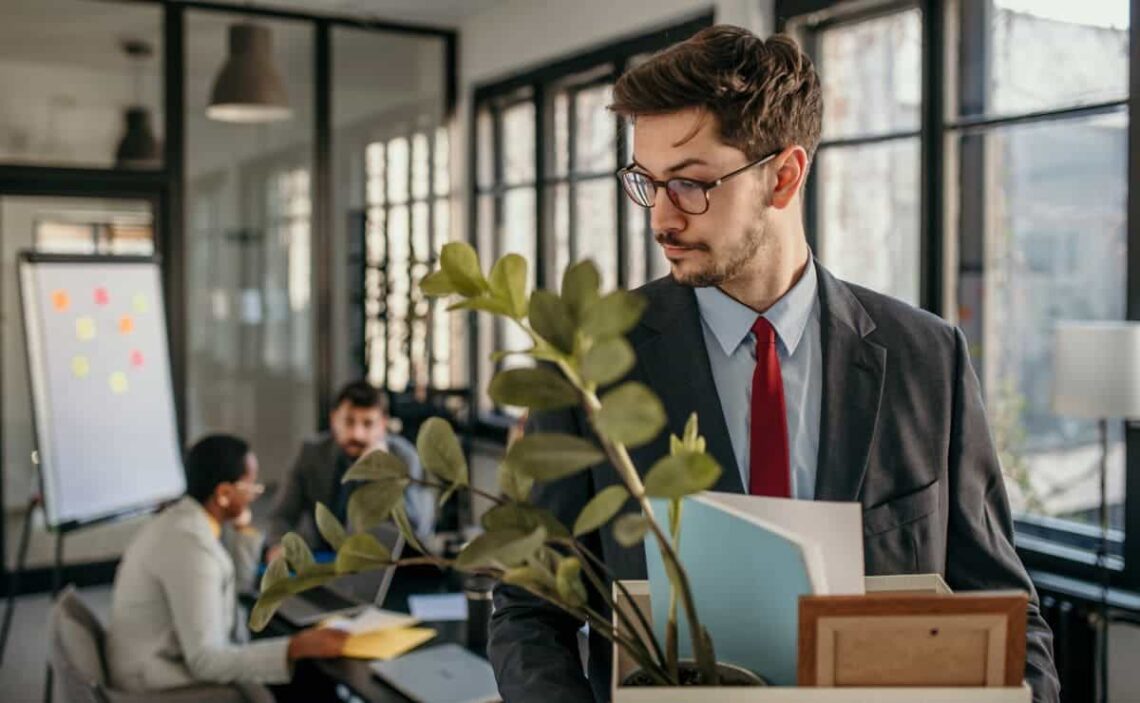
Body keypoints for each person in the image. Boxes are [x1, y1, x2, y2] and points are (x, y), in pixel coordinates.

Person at [487, 25, 1059, 703]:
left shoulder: (927, 360)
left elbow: (1007, 616)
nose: (661, 220)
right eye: (648, 182)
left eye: (692, 184)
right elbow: (528, 611)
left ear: (783, 177)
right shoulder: (587, 363)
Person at [106, 434, 347, 692]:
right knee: (306, 676)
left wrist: (243, 531)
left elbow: (236, 592)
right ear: (223, 493)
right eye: (251, 484)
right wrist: (295, 647)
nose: (256, 494)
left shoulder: (183, 521)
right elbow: (206, 661)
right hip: (158, 685)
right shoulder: (190, 549)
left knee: (292, 661)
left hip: (161, 659)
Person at [266, 381, 435, 562]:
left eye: (368, 424)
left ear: (383, 424)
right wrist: (279, 545)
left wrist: (383, 477)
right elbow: (282, 515)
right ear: (333, 419)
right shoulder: (311, 453)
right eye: (348, 421)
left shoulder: (403, 457)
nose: (357, 434)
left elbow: (417, 528)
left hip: (380, 563)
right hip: (324, 557)